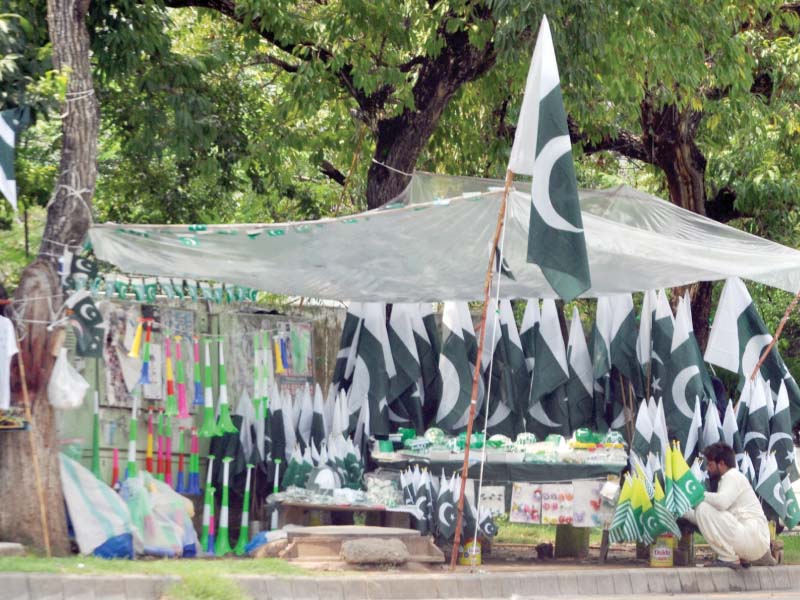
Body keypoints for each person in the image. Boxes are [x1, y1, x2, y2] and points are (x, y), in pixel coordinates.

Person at [684, 442, 771, 569]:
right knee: (702, 509)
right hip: (755, 541)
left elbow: (721, 502)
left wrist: (699, 495)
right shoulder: (730, 479)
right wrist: (683, 511)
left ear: (722, 464)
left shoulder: (732, 476)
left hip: (753, 537)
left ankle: (728, 558)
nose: (708, 469)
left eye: (710, 464)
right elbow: (706, 518)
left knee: (703, 507)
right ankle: (737, 556)